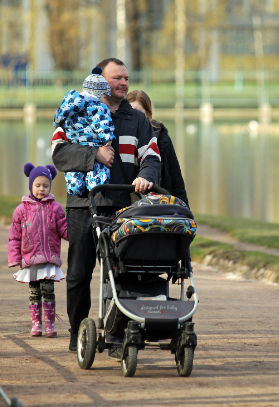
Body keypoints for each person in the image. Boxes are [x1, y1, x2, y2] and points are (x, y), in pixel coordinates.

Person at [51, 58, 161, 353]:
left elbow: (152, 156)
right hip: (81, 205)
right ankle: (77, 333)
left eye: (126, 78)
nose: (124, 83)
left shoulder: (137, 120)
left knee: (120, 274)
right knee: (78, 275)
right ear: (100, 80)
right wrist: (94, 155)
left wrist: (146, 176)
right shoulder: (75, 111)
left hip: (121, 207)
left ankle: (117, 335)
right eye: (117, 78)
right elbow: (59, 154)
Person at [8, 163, 68, 338]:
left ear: (50, 186)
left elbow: (63, 229)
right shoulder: (21, 210)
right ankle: (36, 323)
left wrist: (75, 234)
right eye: (38, 185)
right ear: (31, 185)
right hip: (31, 258)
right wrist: (15, 258)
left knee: (48, 290)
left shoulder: (55, 208)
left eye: (46, 186)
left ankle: (49, 323)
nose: (42, 189)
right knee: (34, 292)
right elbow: (14, 236)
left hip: (48, 258)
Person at [54, 67, 115, 196]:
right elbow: (102, 124)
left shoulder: (71, 105)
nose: (106, 101)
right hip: (93, 143)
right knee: (98, 174)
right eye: (105, 97)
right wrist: (108, 139)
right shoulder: (98, 107)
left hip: (75, 144)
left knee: (74, 171)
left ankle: (74, 187)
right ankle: (95, 186)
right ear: (99, 94)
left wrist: (57, 123)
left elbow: (59, 117)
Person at [126, 90, 189, 206]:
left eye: (138, 112)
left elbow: (176, 181)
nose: (134, 117)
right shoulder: (118, 137)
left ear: (148, 114)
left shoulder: (162, 140)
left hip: (157, 204)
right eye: (130, 112)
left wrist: (185, 211)